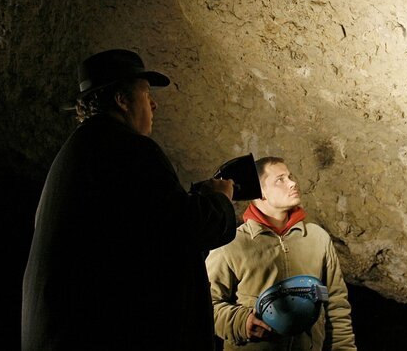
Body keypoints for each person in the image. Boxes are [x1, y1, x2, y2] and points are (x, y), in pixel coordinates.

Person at [22, 49, 236, 350]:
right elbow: (183, 229)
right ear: (122, 100)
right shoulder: (127, 149)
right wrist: (219, 200)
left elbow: (140, 236)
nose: (154, 104)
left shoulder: (77, 153)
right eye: (145, 93)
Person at [206, 156, 357, 350]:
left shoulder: (317, 239)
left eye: (290, 176)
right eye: (280, 180)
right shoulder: (231, 243)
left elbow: (336, 304)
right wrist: (241, 322)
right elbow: (206, 304)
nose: (293, 183)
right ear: (260, 193)